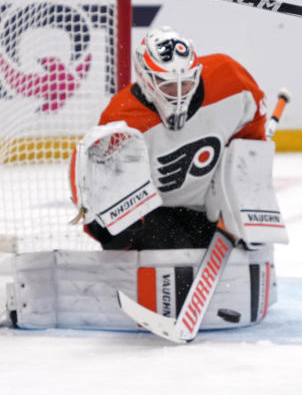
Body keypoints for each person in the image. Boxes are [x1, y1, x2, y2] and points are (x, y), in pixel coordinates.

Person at [75, 25, 267, 251]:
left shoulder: (231, 79)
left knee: (249, 258)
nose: (179, 94)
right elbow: (97, 177)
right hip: (153, 214)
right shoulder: (122, 118)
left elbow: (251, 140)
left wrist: (247, 201)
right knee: (164, 259)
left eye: (185, 83)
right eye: (168, 86)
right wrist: (107, 227)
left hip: (209, 208)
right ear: (147, 79)